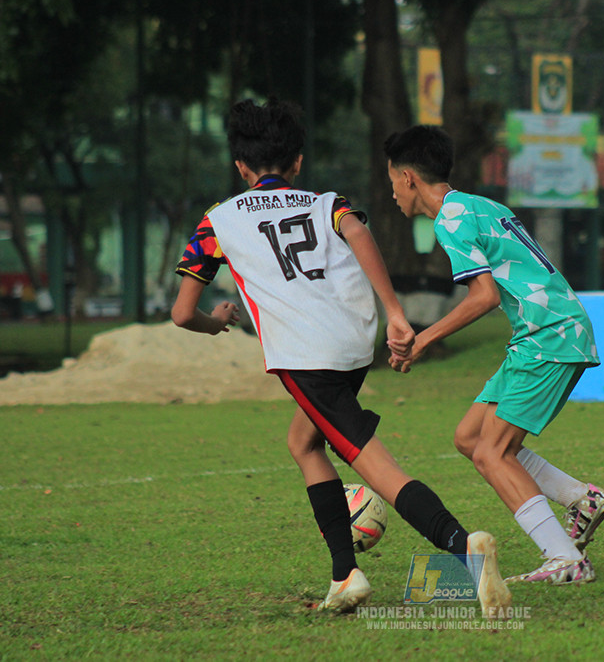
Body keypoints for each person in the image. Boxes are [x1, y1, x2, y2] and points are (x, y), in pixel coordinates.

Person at [171, 100, 511, 618]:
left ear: (241, 168)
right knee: (303, 441)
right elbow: (357, 232)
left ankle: (465, 549)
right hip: (354, 345)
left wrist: (216, 323)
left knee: (379, 468)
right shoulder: (326, 202)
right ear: (298, 163)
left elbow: (181, 313)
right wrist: (395, 313)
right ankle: (344, 574)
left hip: (307, 357)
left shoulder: (217, 221)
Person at [383, 125, 604, 585]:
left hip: (548, 335)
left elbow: (484, 295)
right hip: (545, 331)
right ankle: (580, 498)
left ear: (408, 177)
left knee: (492, 452)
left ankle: (565, 558)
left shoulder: (448, 219)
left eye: (391, 181)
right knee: (470, 437)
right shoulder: (480, 204)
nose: (391, 192)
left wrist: (423, 340)